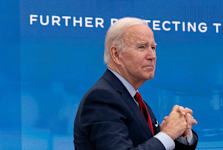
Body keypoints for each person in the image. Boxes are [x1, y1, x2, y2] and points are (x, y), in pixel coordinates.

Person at [74, 17, 198, 150]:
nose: (152, 56)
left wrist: (181, 132)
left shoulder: (135, 100)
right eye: (142, 47)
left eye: (153, 47)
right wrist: (167, 134)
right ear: (116, 54)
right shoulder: (101, 98)